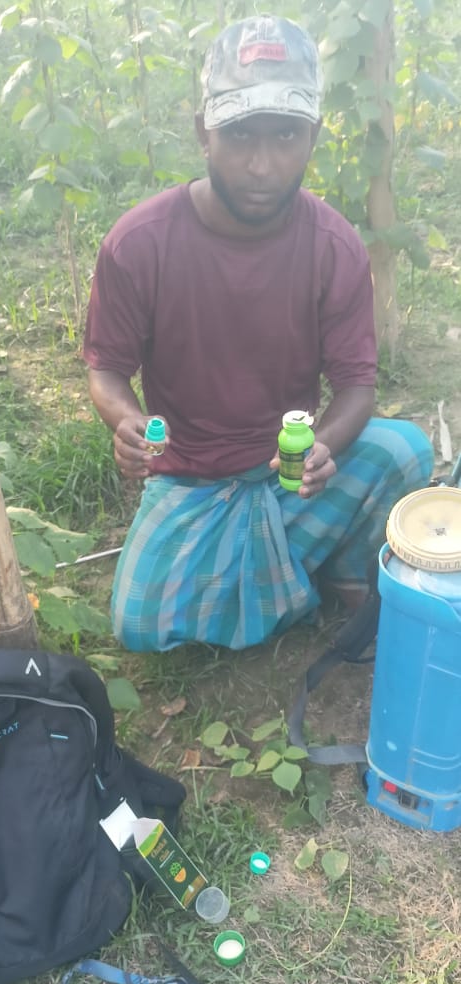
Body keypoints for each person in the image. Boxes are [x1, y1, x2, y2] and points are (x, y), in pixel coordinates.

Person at [84, 15, 433, 652]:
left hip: (287, 470)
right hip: (191, 477)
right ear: (204, 133)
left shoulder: (334, 246)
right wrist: (129, 422)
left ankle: (336, 568)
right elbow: (106, 368)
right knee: (141, 626)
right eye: (240, 134)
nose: (262, 164)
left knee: (405, 451)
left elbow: (357, 386)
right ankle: (295, 573)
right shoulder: (139, 243)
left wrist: (321, 447)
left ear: (313, 137)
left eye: (286, 135)